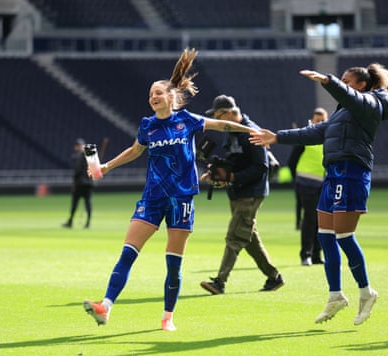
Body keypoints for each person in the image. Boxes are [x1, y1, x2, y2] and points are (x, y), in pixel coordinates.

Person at [82, 49, 258, 332]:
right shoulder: (147, 125)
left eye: (158, 93)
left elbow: (220, 125)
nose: (153, 96)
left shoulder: (186, 119)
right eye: (151, 93)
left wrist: (250, 130)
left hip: (181, 199)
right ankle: (106, 306)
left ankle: (167, 317)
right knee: (127, 253)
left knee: (173, 264)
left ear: (171, 97)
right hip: (152, 197)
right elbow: (134, 151)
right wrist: (104, 167)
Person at [250, 63, 388, 326]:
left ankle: (366, 292)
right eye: (341, 80)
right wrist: (276, 137)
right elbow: (315, 132)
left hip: (351, 172)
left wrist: (328, 80)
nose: (343, 84)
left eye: (347, 81)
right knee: (325, 236)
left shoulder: (371, 104)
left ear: (362, 85)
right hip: (332, 174)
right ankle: (336, 296)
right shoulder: (343, 112)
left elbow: (350, 96)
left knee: (344, 237)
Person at [199, 95, 284, 295]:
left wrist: (232, 176)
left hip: (251, 193)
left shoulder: (250, 132)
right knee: (248, 238)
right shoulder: (233, 132)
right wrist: (218, 170)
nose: (218, 120)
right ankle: (274, 277)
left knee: (235, 236)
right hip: (238, 192)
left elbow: (261, 168)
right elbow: (234, 160)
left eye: (219, 115)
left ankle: (219, 282)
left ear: (229, 112)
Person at [287, 108, 328, 266]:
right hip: (306, 184)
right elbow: (292, 161)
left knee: (321, 221)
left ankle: (317, 255)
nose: (320, 123)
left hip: (322, 184)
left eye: (323, 120)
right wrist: (297, 180)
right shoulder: (306, 137)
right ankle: (306, 255)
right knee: (310, 219)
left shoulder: (327, 138)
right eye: (317, 120)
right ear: (312, 120)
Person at [62, 138, 93, 229]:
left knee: (75, 203)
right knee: (88, 202)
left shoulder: (77, 156)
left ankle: (70, 221)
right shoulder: (90, 154)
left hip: (80, 183)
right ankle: (88, 222)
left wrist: (74, 184)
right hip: (89, 183)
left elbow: (77, 171)